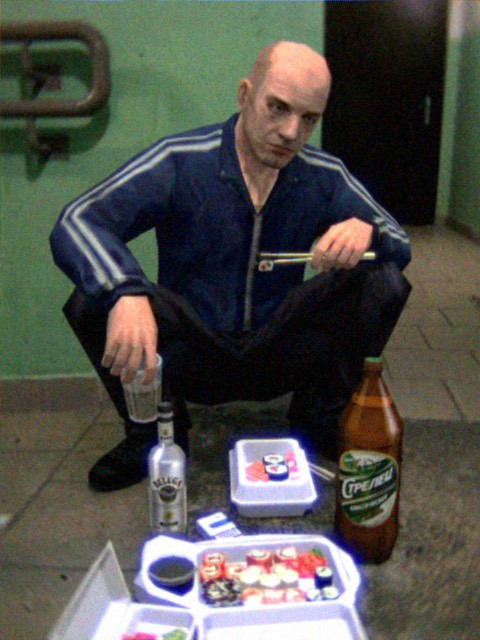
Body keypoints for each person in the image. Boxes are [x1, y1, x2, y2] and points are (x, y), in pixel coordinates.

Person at [50, 41, 411, 492]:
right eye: (277, 107)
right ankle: (152, 434)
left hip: (277, 348)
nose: (291, 132)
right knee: (93, 298)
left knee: (383, 281)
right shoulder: (181, 159)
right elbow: (78, 220)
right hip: (194, 351)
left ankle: (321, 415)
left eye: (309, 119)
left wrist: (366, 229)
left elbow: (399, 241)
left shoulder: (323, 175)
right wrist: (124, 290)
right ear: (244, 95)